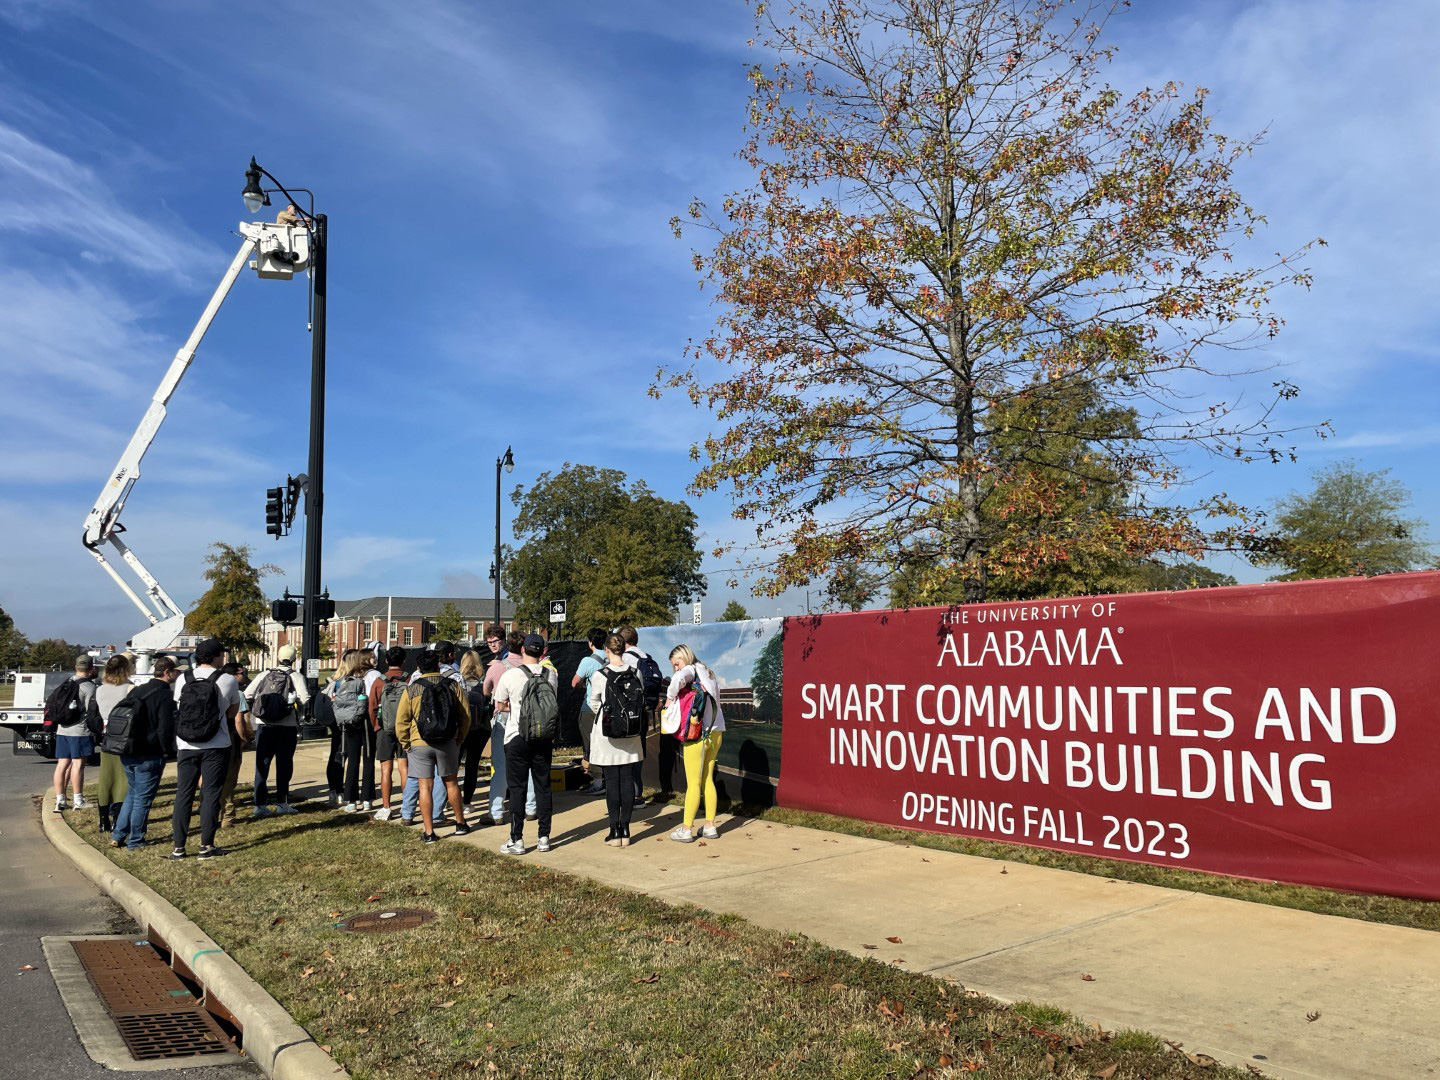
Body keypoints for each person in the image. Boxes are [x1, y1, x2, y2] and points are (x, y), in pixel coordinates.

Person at [170, 638, 243, 859]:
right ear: (214, 656)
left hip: (186, 743)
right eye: (222, 654)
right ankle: (206, 846)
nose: (224, 657)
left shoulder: (184, 678)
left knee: (184, 793)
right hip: (216, 743)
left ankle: (179, 848)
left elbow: (179, 706)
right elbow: (232, 713)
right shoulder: (228, 680)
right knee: (211, 793)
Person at [393, 651, 471, 844]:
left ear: (419, 668)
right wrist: (459, 737)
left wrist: (406, 743)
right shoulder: (452, 685)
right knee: (451, 783)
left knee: (424, 786)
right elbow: (465, 715)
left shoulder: (412, 689)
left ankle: (429, 832)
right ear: (438, 665)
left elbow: (401, 720)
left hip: (419, 742)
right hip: (447, 741)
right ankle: (460, 823)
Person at [493, 633, 559, 855]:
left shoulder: (510, 676)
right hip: (542, 737)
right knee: (543, 786)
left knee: (518, 787)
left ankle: (516, 839)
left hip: (516, 736)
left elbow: (500, 704)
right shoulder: (551, 675)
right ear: (543, 652)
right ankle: (544, 837)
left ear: (522, 651)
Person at [110, 656, 179, 849]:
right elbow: (165, 728)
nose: (177, 674)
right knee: (143, 798)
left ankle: (118, 834)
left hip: (128, 749)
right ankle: (136, 840)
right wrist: (168, 751)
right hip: (149, 752)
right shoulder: (164, 695)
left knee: (133, 793)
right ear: (167, 673)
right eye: (176, 671)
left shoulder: (138, 690)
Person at [665, 644, 727, 843]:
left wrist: (669, 698)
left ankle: (686, 829)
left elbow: (678, 679)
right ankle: (709, 826)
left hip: (696, 732)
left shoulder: (690, 670)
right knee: (708, 779)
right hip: (716, 732)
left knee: (693, 783)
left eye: (677, 663)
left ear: (685, 657)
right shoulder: (709, 672)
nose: (676, 668)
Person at [586, 634, 644, 846]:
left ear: (607, 651)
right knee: (627, 779)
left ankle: (614, 831)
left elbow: (594, 703)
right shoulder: (636, 672)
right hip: (631, 732)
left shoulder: (601, 675)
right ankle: (626, 830)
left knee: (612, 781)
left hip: (608, 732)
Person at [244, 644, 310, 816]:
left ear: (278, 657)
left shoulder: (264, 674)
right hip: (286, 726)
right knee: (284, 764)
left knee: (262, 765)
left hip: (264, 725)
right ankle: (282, 803)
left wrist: (259, 709)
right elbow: (305, 698)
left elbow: (247, 695)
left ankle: (259, 805)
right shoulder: (295, 676)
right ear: (294, 658)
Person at [482, 629, 536, 825]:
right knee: (528, 764)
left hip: (504, 718)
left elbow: (486, 690)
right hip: (528, 719)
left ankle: (496, 812)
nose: (492, 645)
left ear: (506, 643)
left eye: (495, 641)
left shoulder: (497, 667)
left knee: (501, 766)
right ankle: (531, 808)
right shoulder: (533, 666)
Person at [326, 650, 376, 812]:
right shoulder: (370, 677)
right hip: (367, 721)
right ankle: (367, 798)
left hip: (349, 722)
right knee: (368, 759)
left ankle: (351, 800)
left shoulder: (343, 681)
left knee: (352, 760)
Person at [91, 654, 134, 834]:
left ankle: (103, 820)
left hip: (106, 735)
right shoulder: (130, 688)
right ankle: (118, 817)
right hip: (124, 735)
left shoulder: (100, 690)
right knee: (122, 779)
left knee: (106, 778)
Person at [52, 655, 98, 813]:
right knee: (78, 765)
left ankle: (60, 800)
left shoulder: (67, 682)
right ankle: (78, 800)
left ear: (76, 667)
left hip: (62, 730)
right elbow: (92, 711)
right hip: (80, 731)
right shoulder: (90, 687)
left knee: (62, 765)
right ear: (91, 668)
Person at [368, 646, 409, 820]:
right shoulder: (409, 680)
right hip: (405, 729)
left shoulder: (379, 682)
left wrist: (377, 726)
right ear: (404, 660)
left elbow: (371, 707)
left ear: (386, 661)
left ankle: (386, 807)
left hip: (384, 729)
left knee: (386, 770)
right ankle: (407, 807)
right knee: (404, 768)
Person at [572, 628, 608, 796]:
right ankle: (607, 778)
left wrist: (584, 686)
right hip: (607, 708)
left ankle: (598, 782)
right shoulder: (610, 658)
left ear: (590, 643)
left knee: (591, 745)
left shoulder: (588, 660)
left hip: (590, 708)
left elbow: (575, 682)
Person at [218, 661, 254, 828]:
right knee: (229, 778)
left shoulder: (215, 688)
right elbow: (239, 720)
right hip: (230, 738)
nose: (245, 676)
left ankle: (210, 813)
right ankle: (228, 817)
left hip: (212, 738)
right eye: (242, 673)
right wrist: (244, 739)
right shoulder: (237, 693)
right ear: (233, 676)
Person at [457, 649, 493, 813]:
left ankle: (446, 799)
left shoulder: (457, 681)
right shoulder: (484, 682)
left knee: (453, 765)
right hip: (480, 728)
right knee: (472, 764)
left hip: (461, 728)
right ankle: (467, 802)